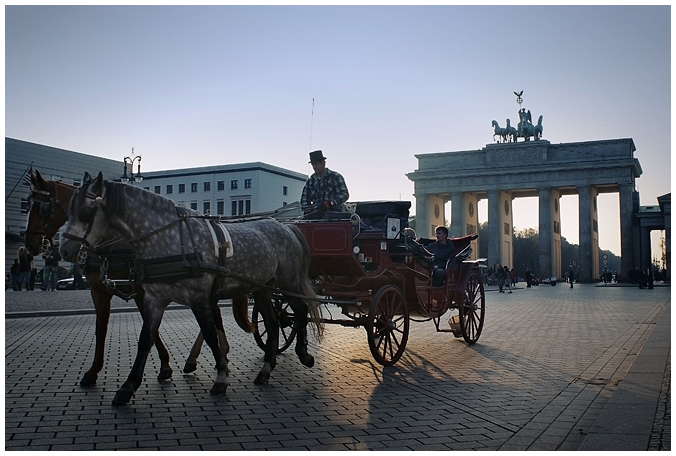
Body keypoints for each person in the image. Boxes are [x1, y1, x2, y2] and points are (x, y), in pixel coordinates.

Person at [301, 150, 350, 219]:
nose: (314, 167)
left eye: (316, 164)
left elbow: (344, 194)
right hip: (315, 216)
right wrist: (308, 211)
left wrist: (331, 202)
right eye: (313, 165)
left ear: (324, 163)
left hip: (334, 215)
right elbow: (304, 198)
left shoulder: (335, 177)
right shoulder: (310, 181)